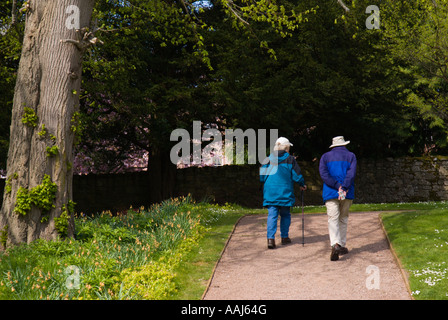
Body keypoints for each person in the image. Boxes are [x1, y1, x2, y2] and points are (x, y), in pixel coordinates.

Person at [260, 137, 307, 249]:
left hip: (270, 191)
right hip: (284, 191)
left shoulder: (267, 159)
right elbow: (297, 175)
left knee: (272, 215)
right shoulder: (290, 159)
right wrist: (302, 184)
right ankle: (284, 237)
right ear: (286, 147)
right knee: (285, 214)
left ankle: (270, 239)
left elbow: (262, 177)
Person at [319, 136, 357, 261]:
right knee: (343, 218)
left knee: (333, 219)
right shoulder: (351, 156)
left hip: (331, 192)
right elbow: (351, 174)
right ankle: (341, 244)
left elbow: (324, 174)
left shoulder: (325, 157)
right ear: (344, 145)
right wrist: (344, 186)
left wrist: (336, 186)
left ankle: (335, 244)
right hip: (347, 192)